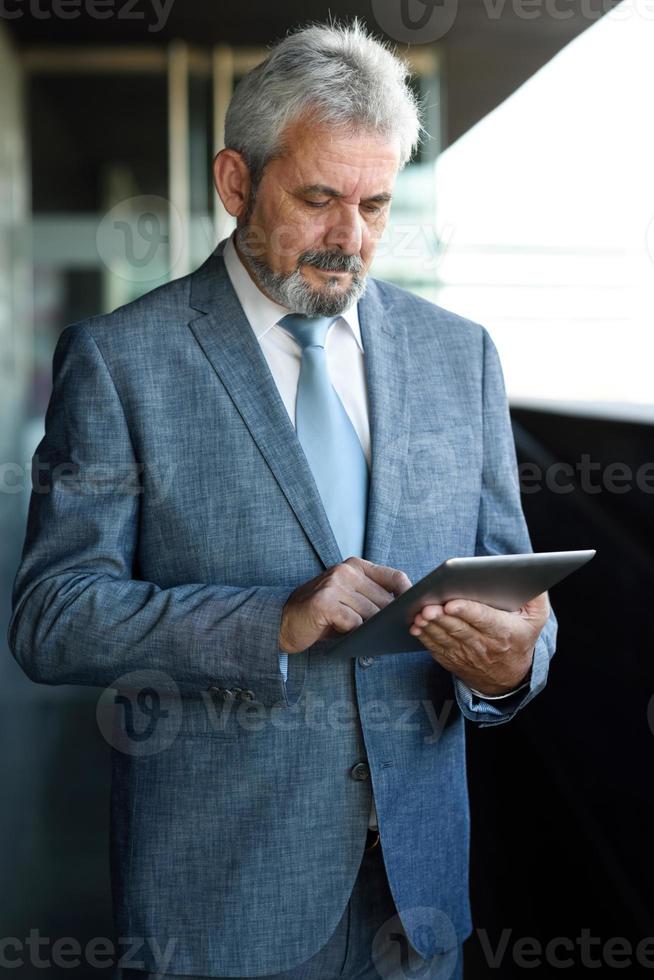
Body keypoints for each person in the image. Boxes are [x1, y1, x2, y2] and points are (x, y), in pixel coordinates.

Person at [8, 19, 557, 980]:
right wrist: (272, 621)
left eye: (378, 204)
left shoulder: (458, 356)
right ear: (234, 183)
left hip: (416, 905)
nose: (351, 238)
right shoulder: (122, 361)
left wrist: (513, 666)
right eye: (318, 199)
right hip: (217, 904)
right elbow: (52, 616)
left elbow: (517, 604)